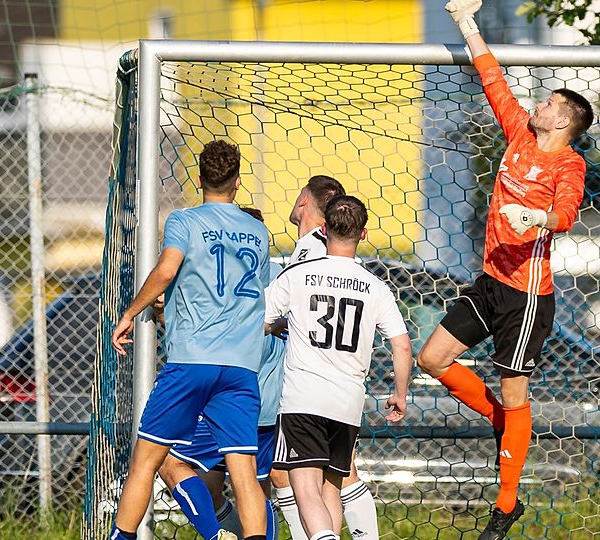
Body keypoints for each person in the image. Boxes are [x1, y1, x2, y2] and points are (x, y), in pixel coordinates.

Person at [415, 2, 594, 539]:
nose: (538, 104)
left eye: (549, 103)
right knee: (432, 358)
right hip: (490, 282)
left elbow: (567, 214)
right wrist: (465, 21)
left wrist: (537, 217)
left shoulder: (570, 164)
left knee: (517, 393)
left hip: (527, 297)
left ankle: (506, 503)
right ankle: (506, 424)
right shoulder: (519, 133)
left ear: (563, 121)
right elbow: (492, 78)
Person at [108, 140, 269, 540]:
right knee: (244, 475)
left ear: (199, 179)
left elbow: (166, 271)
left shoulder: (185, 221)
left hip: (192, 360)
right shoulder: (258, 232)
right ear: (237, 181)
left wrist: (129, 314)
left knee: (146, 462)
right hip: (241, 367)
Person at [265, 195, 413, 540]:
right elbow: (402, 345)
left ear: (323, 230)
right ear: (363, 234)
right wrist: (400, 394)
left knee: (306, 489)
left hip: (303, 398)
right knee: (331, 487)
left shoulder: (298, 275)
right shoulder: (375, 286)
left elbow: (261, 320)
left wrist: (277, 325)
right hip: (347, 403)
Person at [159, 206, 284, 540]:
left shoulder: (223, 282)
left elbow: (202, 337)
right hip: (268, 406)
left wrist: (163, 310)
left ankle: (216, 536)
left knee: (170, 463)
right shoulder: (282, 277)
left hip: (230, 398)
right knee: (251, 487)